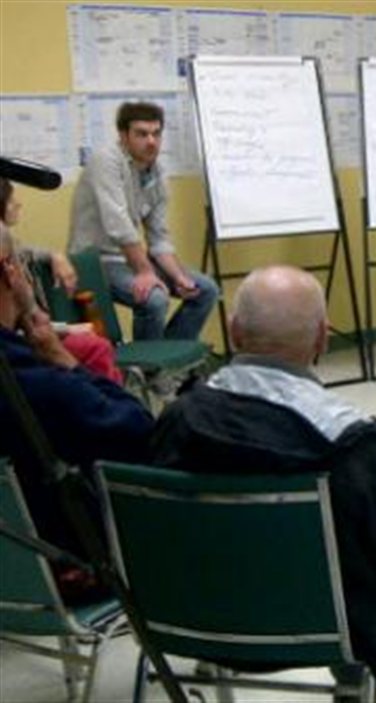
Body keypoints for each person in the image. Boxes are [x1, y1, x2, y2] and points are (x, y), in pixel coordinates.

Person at [150, 265, 376, 695]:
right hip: (332, 632)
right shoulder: (353, 444)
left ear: (234, 331)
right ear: (322, 338)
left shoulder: (176, 420)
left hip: (193, 622)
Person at [0, 221, 153, 598]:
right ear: (10, 272)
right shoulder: (45, 390)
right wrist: (60, 356)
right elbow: (140, 432)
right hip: (73, 570)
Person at [68, 101, 220, 342]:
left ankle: (167, 364)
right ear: (123, 136)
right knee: (154, 299)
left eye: (156, 134)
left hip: (128, 258)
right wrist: (145, 271)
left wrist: (178, 277)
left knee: (205, 290)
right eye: (141, 134)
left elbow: (159, 236)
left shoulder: (157, 171)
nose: (151, 141)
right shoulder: (105, 161)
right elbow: (119, 226)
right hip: (95, 260)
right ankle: (147, 371)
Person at [1, 177, 122, 383]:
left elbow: (28, 251)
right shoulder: (6, 260)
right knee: (96, 347)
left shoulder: (10, 245)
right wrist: (66, 329)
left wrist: (54, 255)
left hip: (30, 334)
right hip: (22, 342)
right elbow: (23, 326)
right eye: (12, 201)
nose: (18, 204)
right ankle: (110, 406)